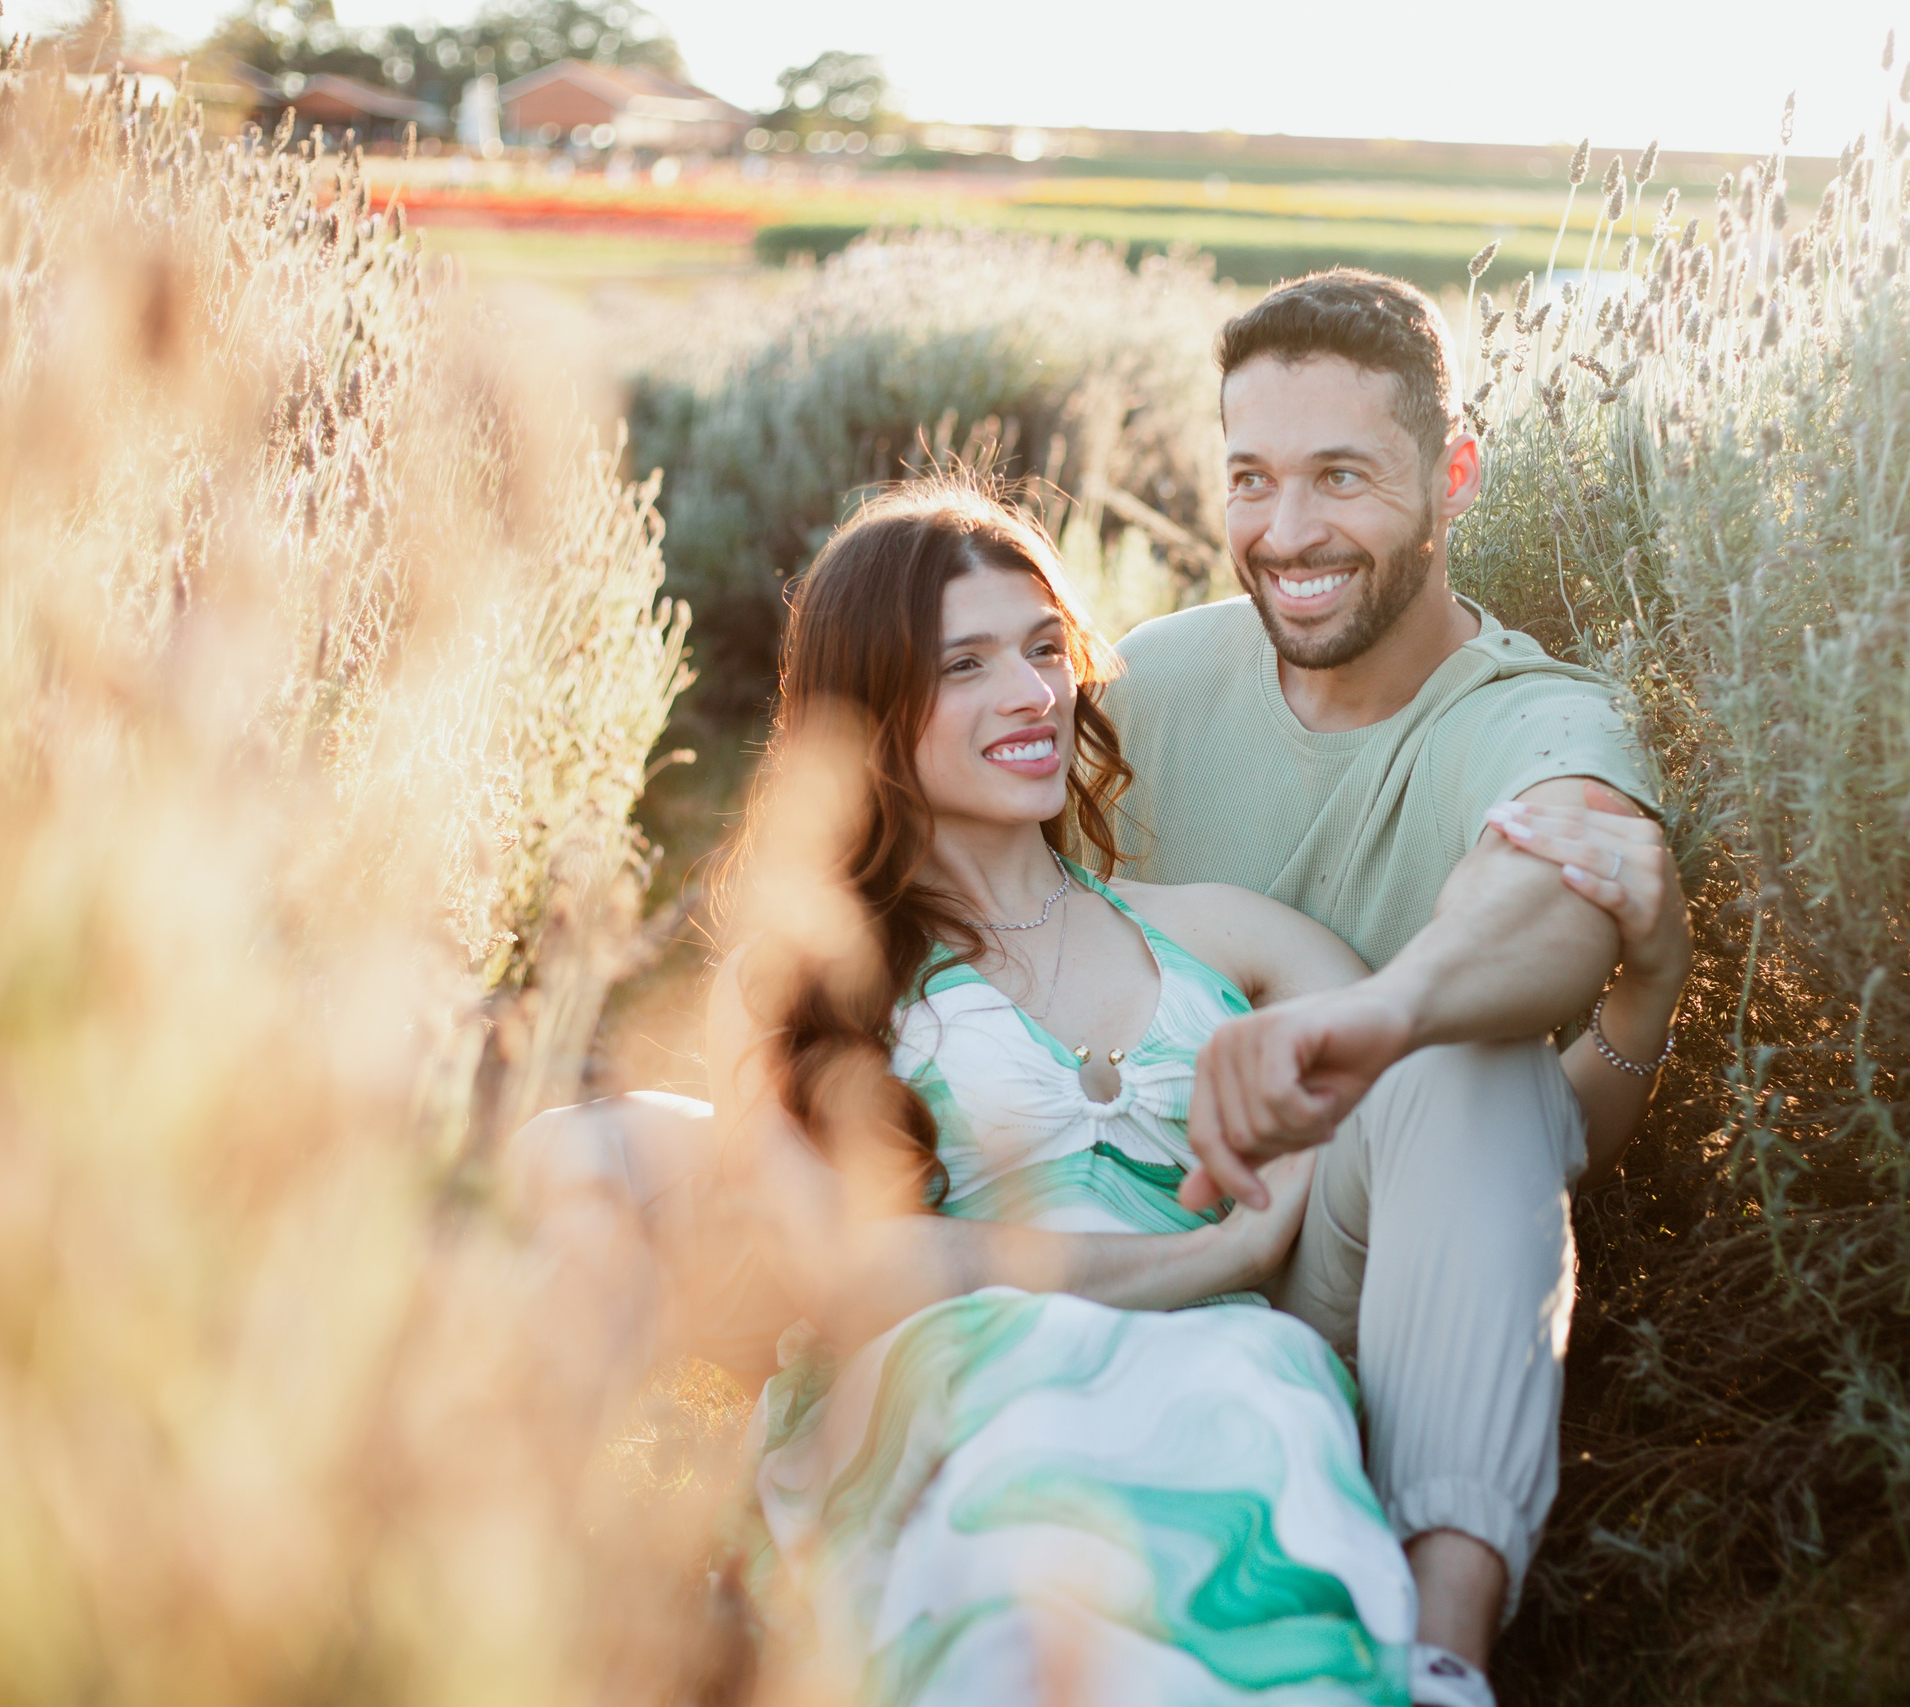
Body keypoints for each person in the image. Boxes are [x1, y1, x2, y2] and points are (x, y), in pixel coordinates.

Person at [513, 473, 1681, 1706]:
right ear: (867, 712)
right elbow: (857, 1275)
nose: (1029, 695)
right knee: (1028, 1510)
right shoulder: (798, 980)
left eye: (1040, 649)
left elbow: (1495, 1143)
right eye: (963, 666)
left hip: (1237, 1384)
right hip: (970, 1393)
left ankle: (1437, 1668)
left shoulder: (1230, 938)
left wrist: (1639, 1000)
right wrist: (1207, 1265)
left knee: (1256, 1411)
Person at [1100, 269, 1690, 1693]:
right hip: (1120, 1236)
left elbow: (1558, 891)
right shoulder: (1150, 685)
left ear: (1454, 475)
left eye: (1342, 477)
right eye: (1252, 477)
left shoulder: (1538, 716)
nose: (1287, 532)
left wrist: (1377, 1013)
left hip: (1342, 1272)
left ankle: (1441, 1656)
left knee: (1465, 1058)